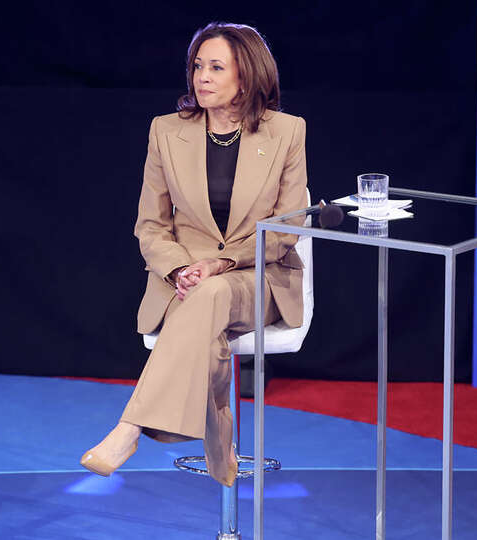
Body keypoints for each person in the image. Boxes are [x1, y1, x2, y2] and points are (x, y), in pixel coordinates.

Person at [80, 21, 308, 487]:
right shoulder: (166, 132)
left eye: (216, 67)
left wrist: (221, 263)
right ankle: (217, 438)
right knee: (205, 306)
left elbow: (287, 228)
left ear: (246, 75)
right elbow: (151, 225)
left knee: (213, 291)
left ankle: (131, 426)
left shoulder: (287, 132)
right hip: (184, 282)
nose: (202, 76)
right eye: (198, 66)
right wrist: (182, 267)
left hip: (256, 277)